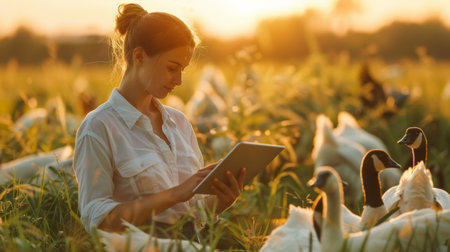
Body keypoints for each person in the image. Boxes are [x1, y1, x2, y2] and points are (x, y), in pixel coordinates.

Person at [73, 3, 246, 239]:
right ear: (139, 56)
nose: (179, 80)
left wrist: (220, 202)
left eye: (183, 69)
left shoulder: (180, 123)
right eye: (172, 68)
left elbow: (192, 215)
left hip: (192, 241)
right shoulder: (99, 127)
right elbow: (98, 221)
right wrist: (175, 194)